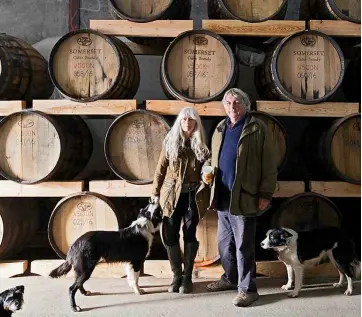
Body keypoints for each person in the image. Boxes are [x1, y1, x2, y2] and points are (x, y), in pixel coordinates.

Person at [203, 88, 277, 307]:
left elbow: (269, 164)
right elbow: (213, 159)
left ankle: (248, 289)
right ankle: (230, 278)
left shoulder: (257, 128)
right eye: (227, 103)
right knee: (224, 245)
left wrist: (265, 193)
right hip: (222, 197)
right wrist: (206, 171)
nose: (231, 107)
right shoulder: (219, 128)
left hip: (245, 197)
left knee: (243, 246)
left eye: (236, 103)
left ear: (245, 105)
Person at [151, 107, 210, 294]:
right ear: (179, 122)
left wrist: (207, 170)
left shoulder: (200, 143)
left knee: (190, 233)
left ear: (196, 123)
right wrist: (154, 193)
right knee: (169, 233)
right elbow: (161, 169)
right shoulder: (170, 142)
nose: (187, 123)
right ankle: (176, 276)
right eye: (184, 119)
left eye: (191, 120)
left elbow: (207, 163)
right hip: (170, 194)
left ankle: (187, 277)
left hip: (192, 194)